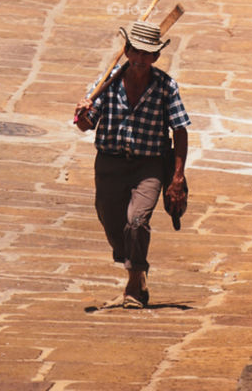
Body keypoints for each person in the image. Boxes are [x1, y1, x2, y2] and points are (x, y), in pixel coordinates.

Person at [74, 20, 190, 308]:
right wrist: (82, 113)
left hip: (148, 166)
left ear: (155, 57)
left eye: (146, 54)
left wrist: (177, 177)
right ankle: (133, 265)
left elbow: (180, 130)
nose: (139, 59)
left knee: (137, 221)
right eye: (135, 52)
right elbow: (86, 125)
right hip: (110, 163)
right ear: (126, 51)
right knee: (111, 221)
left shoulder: (166, 87)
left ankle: (135, 281)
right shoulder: (108, 82)